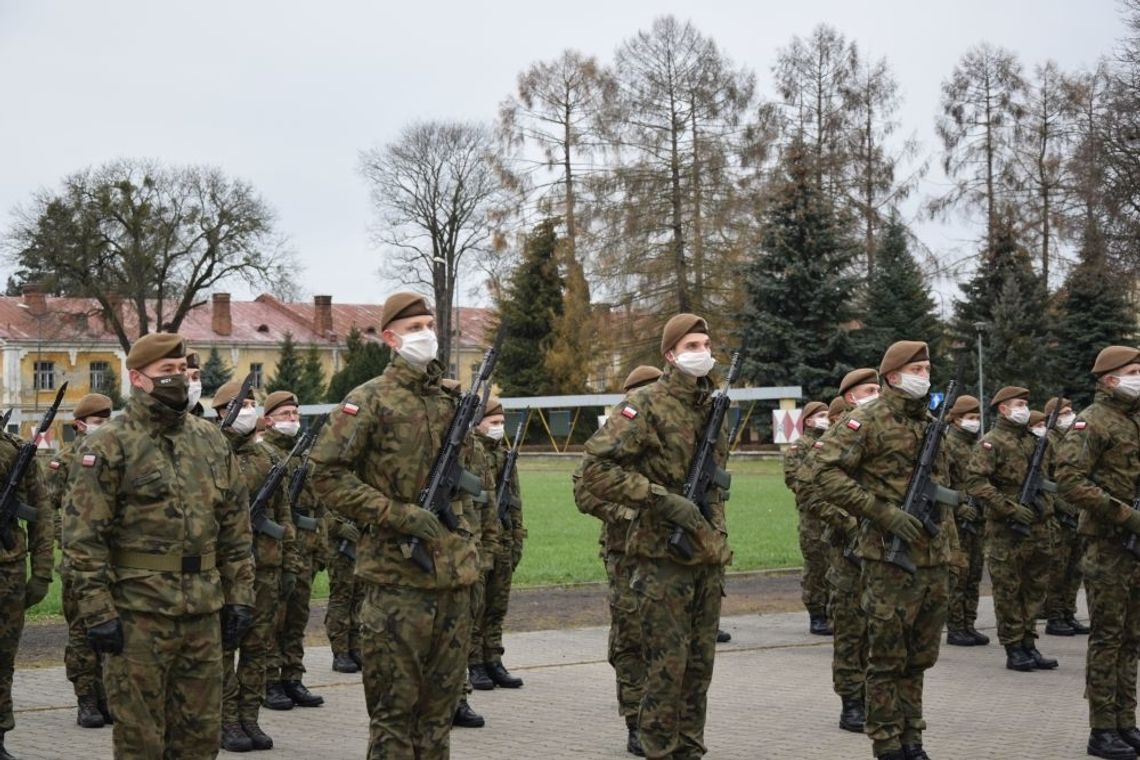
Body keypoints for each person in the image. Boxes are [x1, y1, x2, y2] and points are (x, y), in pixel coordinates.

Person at [63, 332, 255, 760]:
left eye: (182, 371)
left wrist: (240, 597)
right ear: (138, 378)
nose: (179, 380)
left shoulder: (211, 441)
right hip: (137, 618)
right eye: (166, 372)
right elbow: (82, 540)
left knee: (201, 741)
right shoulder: (108, 445)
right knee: (141, 743)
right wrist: (96, 612)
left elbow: (235, 532)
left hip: (203, 615)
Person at [309, 292, 481, 759]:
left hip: (452, 580)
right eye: (414, 327)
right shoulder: (368, 400)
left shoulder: (450, 401)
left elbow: (469, 486)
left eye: (430, 324)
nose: (426, 334)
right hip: (396, 582)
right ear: (390, 338)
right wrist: (396, 514)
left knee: (438, 718)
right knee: (394, 718)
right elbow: (324, 474)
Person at [580, 314, 732, 760]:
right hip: (660, 558)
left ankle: (690, 749)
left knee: (698, 669)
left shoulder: (712, 407)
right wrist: (659, 499)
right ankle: (658, 749)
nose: (702, 351)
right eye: (692, 345)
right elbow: (595, 470)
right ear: (670, 354)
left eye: (706, 342)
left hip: (705, 554)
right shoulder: (644, 404)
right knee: (665, 669)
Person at [814, 341, 958, 760]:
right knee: (887, 656)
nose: (925, 374)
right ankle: (887, 741)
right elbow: (822, 472)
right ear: (893, 376)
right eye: (918, 368)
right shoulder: (867, 420)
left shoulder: (929, 423)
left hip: (932, 557)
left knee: (920, 657)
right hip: (888, 558)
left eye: (928, 367)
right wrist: (881, 513)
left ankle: (913, 736)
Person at [1056, 346, 1140, 760]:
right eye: (1134, 371)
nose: (1139, 377)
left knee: (1132, 639)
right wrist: (1123, 514)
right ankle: (1102, 728)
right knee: (1107, 639)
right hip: (1109, 545)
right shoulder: (1093, 421)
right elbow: (1069, 479)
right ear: (1110, 379)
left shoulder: (1135, 419)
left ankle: (1126, 721)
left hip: (1136, 548)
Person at [573, 364, 661, 757]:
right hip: (625, 551)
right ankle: (635, 718)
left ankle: (662, 717)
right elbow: (584, 492)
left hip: (666, 551)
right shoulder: (611, 437)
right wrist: (626, 514)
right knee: (630, 633)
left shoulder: (669, 436)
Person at [212, 380, 300, 751]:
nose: (248, 409)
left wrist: (290, 565)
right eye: (239, 404)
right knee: (222, 647)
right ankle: (226, 720)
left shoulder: (269, 459)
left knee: (257, 647)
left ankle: (250, 717)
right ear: (220, 412)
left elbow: (285, 517)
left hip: (264, 568)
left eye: (251, 402)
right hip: (222, 571)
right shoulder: (209, 454)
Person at [802, 367, 879, 734]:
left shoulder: (886, 433)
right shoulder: (833, 439)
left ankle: (881, 699)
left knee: (884, 629)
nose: (877, 394)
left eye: (879, 387)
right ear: (850, 396)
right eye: (869, 389)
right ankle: (852, 700)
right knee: (851, 628)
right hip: (848, 551)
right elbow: (812, 494)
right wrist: (851, 523)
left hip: (884, 547)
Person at [965, 387, 1058, 673]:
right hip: (1006, 530)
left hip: (1039, 527)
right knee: (1008, 591)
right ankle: (1014, 647)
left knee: (1034, 589)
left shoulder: (1035, 442)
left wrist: (1047, 505)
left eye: (1026, 404)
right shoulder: (991, 443)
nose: (1025, 408)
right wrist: (1008, 507)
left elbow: (1052, 477)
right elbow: (976, 482)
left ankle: (1029, 642)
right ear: (1003, 409)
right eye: (1019, 404)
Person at [48, 393, 114, 728]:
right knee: (81, 631)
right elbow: (52, 510)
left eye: (108, 421)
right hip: (78, 561)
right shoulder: (64, 460)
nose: (106, 428)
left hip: (112, 561)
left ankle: (106, 697)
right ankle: (86, 699)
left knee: (111, 628)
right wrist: (69, 541)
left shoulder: (115, 457)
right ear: (81, 425)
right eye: (99, 423)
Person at [261, 391, 326, 711]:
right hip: (279, 550)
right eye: (285, 414)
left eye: (295, 413)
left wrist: (322, 545)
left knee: (298, 618)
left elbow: (318, 505)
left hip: (307, 550)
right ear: (268, 419)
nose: (292, 419)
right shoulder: (267, 454)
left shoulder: (305, 455)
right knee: (274, 619)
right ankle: (270, 680)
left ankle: (292, 676)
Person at [467, 395, 526, 691]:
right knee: (475, 607)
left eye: (502, 423)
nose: (499, 428)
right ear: (478, 424)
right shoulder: (470, 452)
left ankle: (494, 659)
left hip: (501, 539)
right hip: (478, 541)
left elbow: (514, 501)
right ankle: (474, 663)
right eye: (494, 422)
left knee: (496, 606)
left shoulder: (505, 455)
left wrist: (516, 537)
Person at [453, 380, 500, 729]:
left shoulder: (473, 450)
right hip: (434, 551)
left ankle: (459, 697)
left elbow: (485, 505)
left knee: (464, 625)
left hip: (468, 547)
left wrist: (485, 549)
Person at [942, 394, 989, 648]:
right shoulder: (948, 444)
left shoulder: (977, 445)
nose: (976, 422)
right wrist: (959, 506)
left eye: (977, 417)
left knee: (974, 574)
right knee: (958, 574)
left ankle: (969, 624)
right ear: (957, 419)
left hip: (978, 519)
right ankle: (955, 626)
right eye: (971, 418)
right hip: (957, 520)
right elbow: (941, 483)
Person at [1041, 396, 1088, 637]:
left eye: (1071, 411)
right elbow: (1044, 481)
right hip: (1059, 514)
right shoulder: (1047, 441)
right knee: (1057, 568)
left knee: (1074, 567)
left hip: (1077, 511)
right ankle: (1055, 616)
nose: (1069, 416)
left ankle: (1069, 613)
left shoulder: (1074, 439)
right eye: (1063, 413)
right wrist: (1060, 505)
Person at [784, 400, 831, 635]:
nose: (827, 418)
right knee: (816, 564)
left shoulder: (834, 443)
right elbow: (793, 479)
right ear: (809, 420)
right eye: (822, 415)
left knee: (833, 563)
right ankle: (817, 613)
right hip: (812, 516)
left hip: (834, 513)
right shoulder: (799, 447)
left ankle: (832, 610)